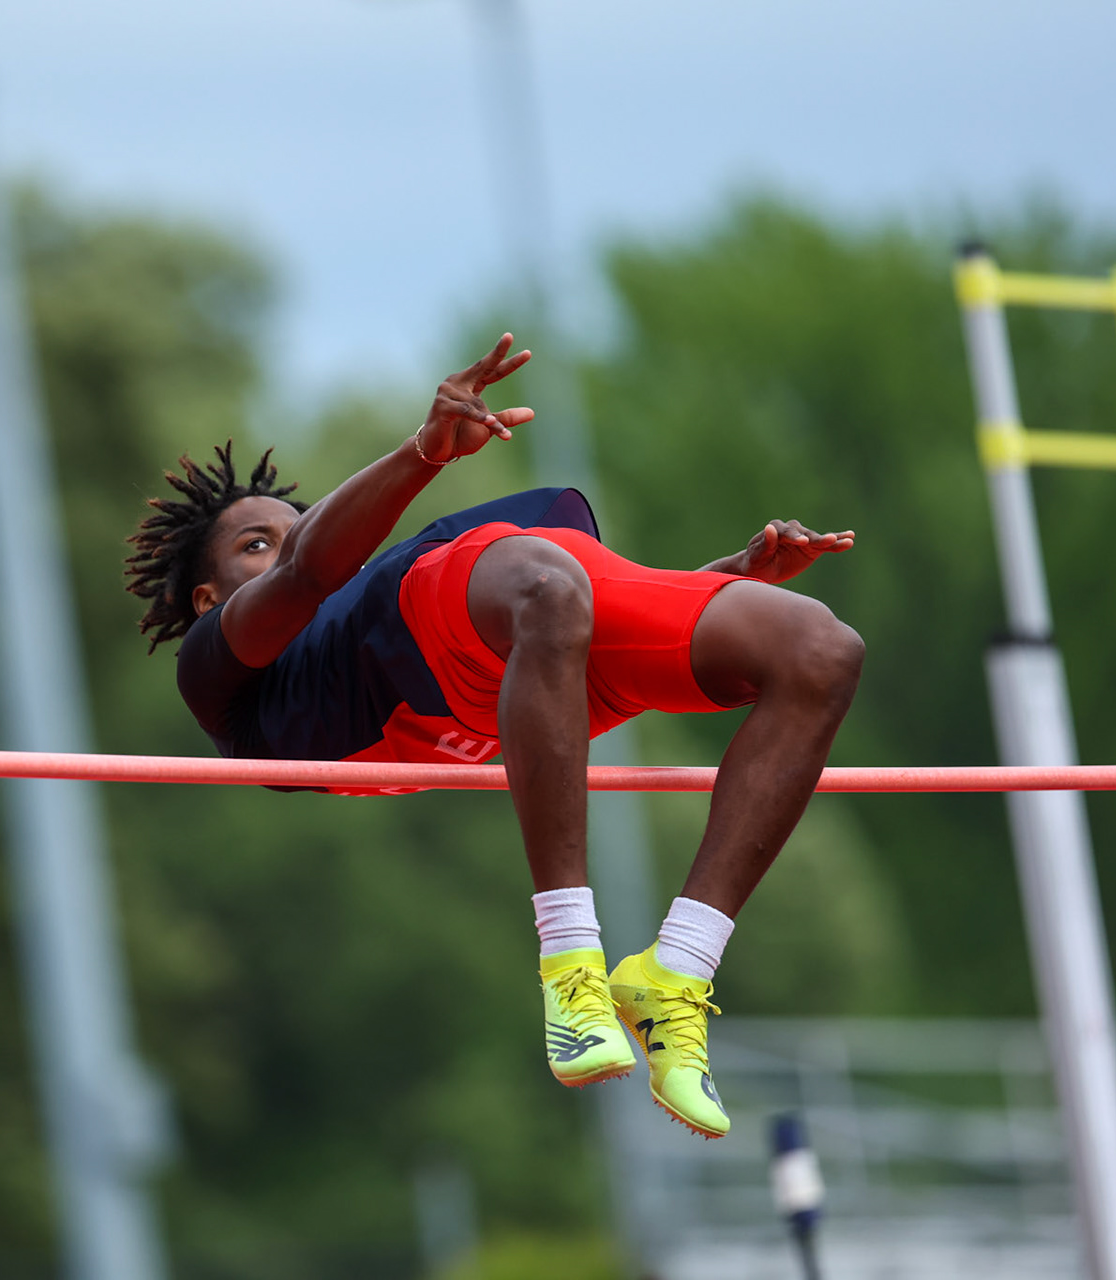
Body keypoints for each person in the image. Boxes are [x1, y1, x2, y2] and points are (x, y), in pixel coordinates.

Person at [124, 334, 863, 1139]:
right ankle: (571, 959)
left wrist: (721, 584)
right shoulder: (217, 673)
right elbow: (308, 571)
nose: (284, 548)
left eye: (291, 530)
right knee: (554, 593)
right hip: (506, 659)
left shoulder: (366, 588)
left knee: (819, 652)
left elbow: (333, 569)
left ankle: (677, 970)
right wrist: (423, 452)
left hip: (478, 605)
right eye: (253, 544)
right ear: (207, 597)